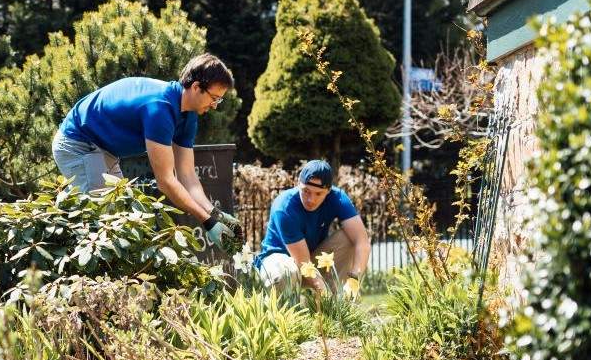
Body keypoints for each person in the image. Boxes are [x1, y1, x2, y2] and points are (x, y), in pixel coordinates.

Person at [51, 53, 236, 249]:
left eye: (219, 100)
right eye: (214, 98)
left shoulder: (188, 115)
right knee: (102, 228)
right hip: (78, 143)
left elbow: (187, 175)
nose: (215, 106)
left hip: (103, 149)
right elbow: (166, 181)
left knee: (117, 220)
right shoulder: (160, 109)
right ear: (196, 87)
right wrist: (207, 222)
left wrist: (215, 214)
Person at [254, 160, 370, 295]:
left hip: (310, 259)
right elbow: (303, 262)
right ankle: (286, 314)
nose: (311, 199)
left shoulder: (337, 198)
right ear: (298, 184)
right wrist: (324, 292)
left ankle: (339, 303)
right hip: (279, 262)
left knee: (349, 239)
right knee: (287, 271)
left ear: (328, 191)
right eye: (306, 191)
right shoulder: (284, 207)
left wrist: (354, 281)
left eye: (318, 193)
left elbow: (362, 242)